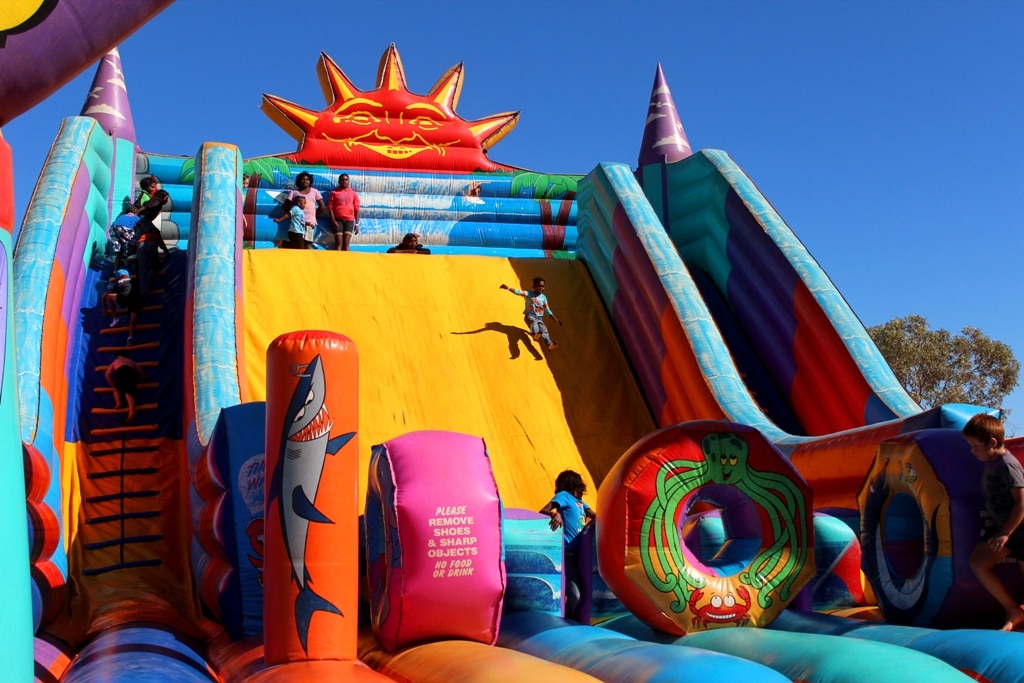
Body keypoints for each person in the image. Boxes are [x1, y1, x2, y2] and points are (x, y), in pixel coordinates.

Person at [965, 413, 1024, 631]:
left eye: (974, 445)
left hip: (1018, 529)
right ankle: (1013, 610)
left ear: (992, 443)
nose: (972, 451)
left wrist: (1006, 534)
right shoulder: (992, 462)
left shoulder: (1007, 465)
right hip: (1003, 527)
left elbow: (1022, 504)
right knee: (979, 563)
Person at [539, 469, 596, 621]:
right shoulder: (564, 496)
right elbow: (543, 510)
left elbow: (596, 516)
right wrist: (555, 514)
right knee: (575, 595)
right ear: (573, 485)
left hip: (580, 556)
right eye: (579, 487)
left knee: (576, 593)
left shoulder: (581, 503)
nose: (582, 491)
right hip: (567, 554)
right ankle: (566, 623)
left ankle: (567, 619)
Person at [499, 276, 562, 350]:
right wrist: (508, 288)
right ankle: (535, 334)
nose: (541, 288)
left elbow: (547, 309)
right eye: (539, 286)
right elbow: (519, 292)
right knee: (533, 322)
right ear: (534, 286)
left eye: (542, 286)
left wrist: (555, 319)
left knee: (544, 330)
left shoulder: (543, 297)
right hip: (530, 315)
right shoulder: (529, 293)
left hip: (539, 318)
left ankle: (550, 344)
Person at [134, 190, 171, 297]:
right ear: (163, 197)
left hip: (142, 234)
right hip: (143, 220)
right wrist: (137, 212)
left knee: (143, 268)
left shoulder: (157, 201)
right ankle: (147, 286)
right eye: (166, 198)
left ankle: (143, 289)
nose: (167, 200)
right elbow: (148, 206)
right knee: (156, 232)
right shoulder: (157, 201)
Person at [104, 350, 147, 424]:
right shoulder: (132, 362)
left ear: (117, 356)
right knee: (128, 394)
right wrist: (144, 379)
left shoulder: (116, 361)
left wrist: (112, 384)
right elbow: (142, 372)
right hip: (132, 375)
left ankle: (118, 403)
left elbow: (107, 374)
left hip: (121, 372)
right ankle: (131, 411)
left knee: (116, 389)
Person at [286, 172, 325, 248]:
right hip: (297, 223)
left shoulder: (315, 191)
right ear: (299, 181)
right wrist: (292, 215)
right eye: (302, 179)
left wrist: (313, 216)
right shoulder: (294, 192)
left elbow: (322, 207)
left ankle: (306, 259)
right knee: (298, 243)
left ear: (310, 181)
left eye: (307, 179)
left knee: (308, 243)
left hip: (310, 223)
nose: (305, 181)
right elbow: (286, 205)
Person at [327, 173, 360, 251]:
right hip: (338, 220)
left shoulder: (353, 193)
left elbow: (357, 209)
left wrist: (357, 224)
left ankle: (347, 262)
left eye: (346, 180)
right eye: (342, 180)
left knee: (346, 245)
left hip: (349, 220)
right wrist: (333, 221)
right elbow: (330, 208)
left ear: (348, 181)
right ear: (339, 181)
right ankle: (336, 262)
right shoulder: (334, 193)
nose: (344, 181)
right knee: (338, 244)